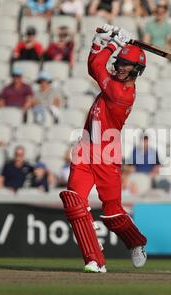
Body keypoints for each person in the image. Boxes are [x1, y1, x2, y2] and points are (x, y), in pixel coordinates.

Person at [59, 24, 148, 273]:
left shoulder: (122, 94)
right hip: (85, 151)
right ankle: (94, 260)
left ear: (137, 70)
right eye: (118, 63)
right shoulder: (114, 82)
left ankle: (137, 242)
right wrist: (100, 40)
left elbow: (97, 67)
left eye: (125, 65)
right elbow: (93, 66)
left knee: (112, 213)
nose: (119, 67)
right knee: (74, 202)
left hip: (107, 155)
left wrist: (111, 44)